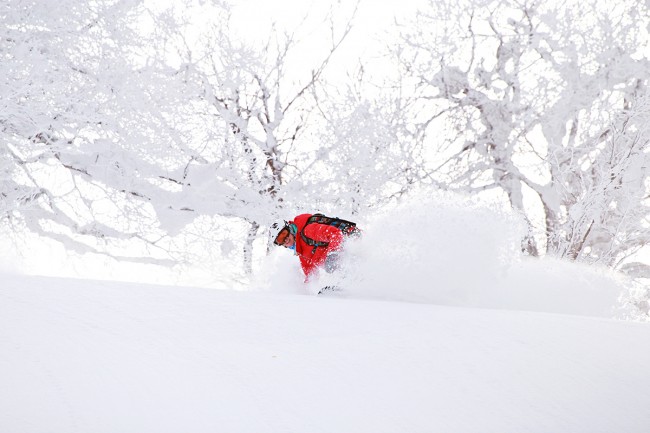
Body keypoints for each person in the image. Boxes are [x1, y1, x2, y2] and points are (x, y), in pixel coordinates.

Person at [272, 213, 358, 282]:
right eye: (280, 240)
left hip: (353, 240)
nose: (285, 240)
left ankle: (349, 282)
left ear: (289, 228)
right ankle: (350, 283)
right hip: (345, 255)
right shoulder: (302, 251)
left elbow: (335, 234)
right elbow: (310, 276)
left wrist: (333, 254)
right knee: (332, 265)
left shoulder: (308, 230)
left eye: (284, 234)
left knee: (332, 264)